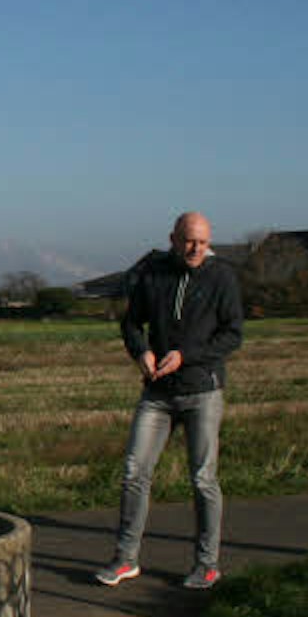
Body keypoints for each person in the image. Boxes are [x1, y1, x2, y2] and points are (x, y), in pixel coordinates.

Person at [95, 211, 244, 590]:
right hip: (158, 393)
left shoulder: (222, 277)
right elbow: (131, 322)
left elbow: (233, 334)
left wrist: (185, 355)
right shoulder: (153, 273)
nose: (196, 249)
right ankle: (125, 558)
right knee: (134, 472)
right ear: (173, 239)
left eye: (203, 242)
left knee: (203, 478)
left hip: (202, 390)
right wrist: (141, 351)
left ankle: (207, 564)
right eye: (189, 241)